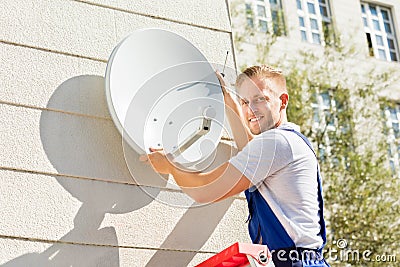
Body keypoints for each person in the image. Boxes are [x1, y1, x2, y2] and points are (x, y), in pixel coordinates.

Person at [140, 65, 330, 267]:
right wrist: (227, 99)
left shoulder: (276, 142)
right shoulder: (287, 143)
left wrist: (171, 166)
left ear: (282, 101)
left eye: (260, 99)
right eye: (245, 102)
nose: (251, 109)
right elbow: (249, 147)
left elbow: (206, 190)